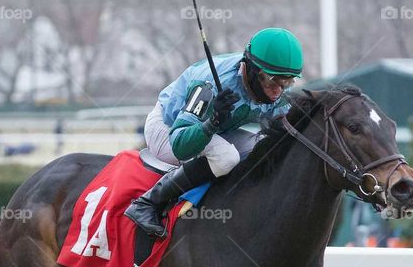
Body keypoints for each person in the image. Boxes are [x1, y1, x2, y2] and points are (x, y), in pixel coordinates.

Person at [124, 27, 303, 239]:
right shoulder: (210, 84)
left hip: (218, 130)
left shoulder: (276, 87)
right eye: (272, 81)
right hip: (168, 130)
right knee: (227, 157)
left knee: (263, 147)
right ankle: (147, 203)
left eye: (287, 82)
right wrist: (213, 121)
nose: (278, 91)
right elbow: (180, 145)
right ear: (251, 70)